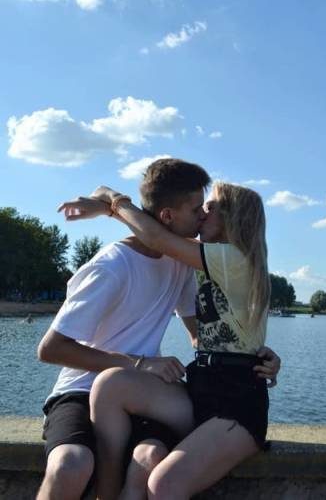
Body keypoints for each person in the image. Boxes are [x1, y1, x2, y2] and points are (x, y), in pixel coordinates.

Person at [38, 158, 280, 500]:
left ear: (233, 220)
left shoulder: (207, 260)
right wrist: (253, 350)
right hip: (153, 387)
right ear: (168, 215)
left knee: (154, 470)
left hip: (222, 399)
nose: (202, 215)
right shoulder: (129, 266)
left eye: (209, 208)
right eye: (198, 208)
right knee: (99, 408)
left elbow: (155, 235)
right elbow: (49, 349)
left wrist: (111, 201)